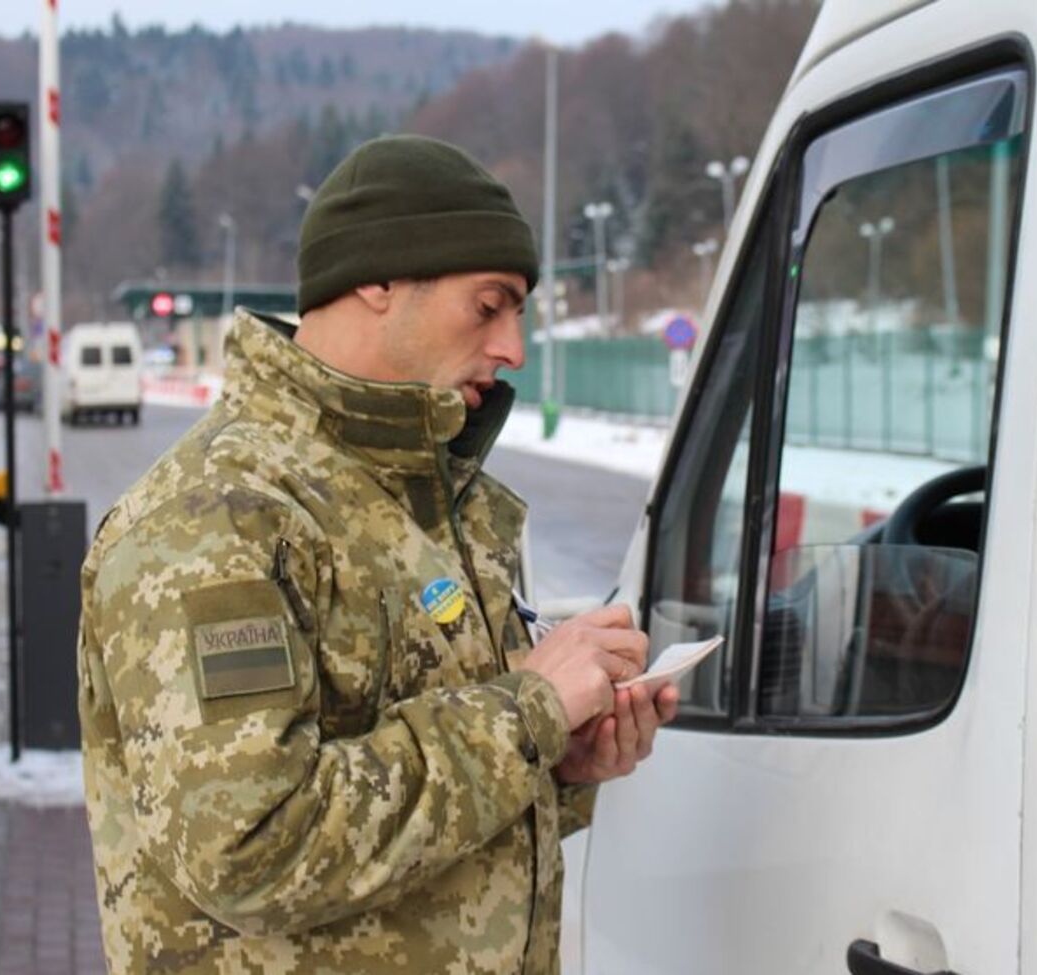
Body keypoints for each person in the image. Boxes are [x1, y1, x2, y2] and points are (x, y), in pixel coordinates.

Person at [78, 134, 679, 974]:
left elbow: (432, 813)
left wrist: (560, 758)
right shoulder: (215, 516)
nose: (515, 348)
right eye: (489, 305)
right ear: (378, 280)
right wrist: (529, 712)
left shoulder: (425, 497)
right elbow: (251, 846)